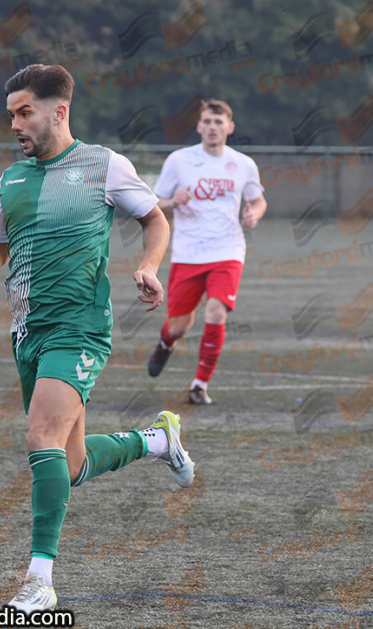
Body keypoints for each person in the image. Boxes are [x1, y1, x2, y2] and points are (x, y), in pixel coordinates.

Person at [0, 64, 195, 613]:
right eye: (11, 114)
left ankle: (39, 582)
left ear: (58, 111)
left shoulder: (104, 165)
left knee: (40, 433)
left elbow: (155, 219)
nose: (15, 124)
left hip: (81, 328)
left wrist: (151, 265)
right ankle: (157, 441)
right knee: (69, 466)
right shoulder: (10, 181)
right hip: (28, 336)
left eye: (25, 113)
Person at [146, 100, 267, 405]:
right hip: (188, 253)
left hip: (228, 251)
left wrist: (256, 214)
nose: (213, 127)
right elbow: (154, 202)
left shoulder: (243, 164)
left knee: (216, 311)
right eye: (208, 121)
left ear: (230, 127)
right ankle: (165, 343)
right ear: (199, 126)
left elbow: (258, 200)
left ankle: (199, 384)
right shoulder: (179, 160)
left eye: (219, 121)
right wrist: (173, 201)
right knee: (179, 325)